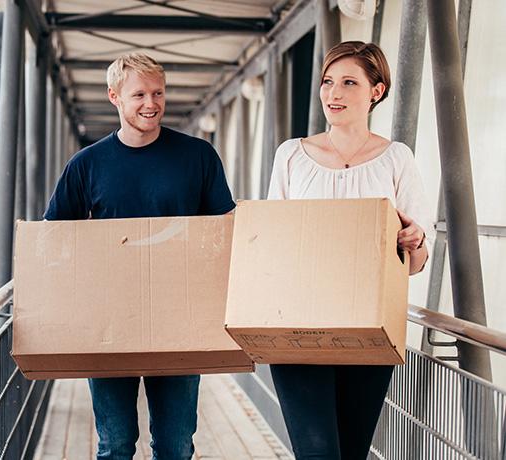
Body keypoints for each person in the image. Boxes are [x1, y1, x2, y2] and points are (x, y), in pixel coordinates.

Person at [44, 53, 235, 460]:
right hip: (109, 321)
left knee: (175, 446)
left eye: (158, 93)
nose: (151, 103)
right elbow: (54, 239)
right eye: (139, 95)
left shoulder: (198, 157)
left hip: (179, 317)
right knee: (115, 446)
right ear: (114, 97)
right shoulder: (86, 166)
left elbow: (226, 230)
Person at [267, 41, 433, 459]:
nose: (333, 93)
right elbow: (268, 240)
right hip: (297, 328)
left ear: (375, 91)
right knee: (318, 451)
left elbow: (415, 260)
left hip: (369, 331)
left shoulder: (396, 159)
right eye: (327, 82)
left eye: (348, 83)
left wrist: (412, 241)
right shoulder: (291, 156)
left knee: (352, 451)